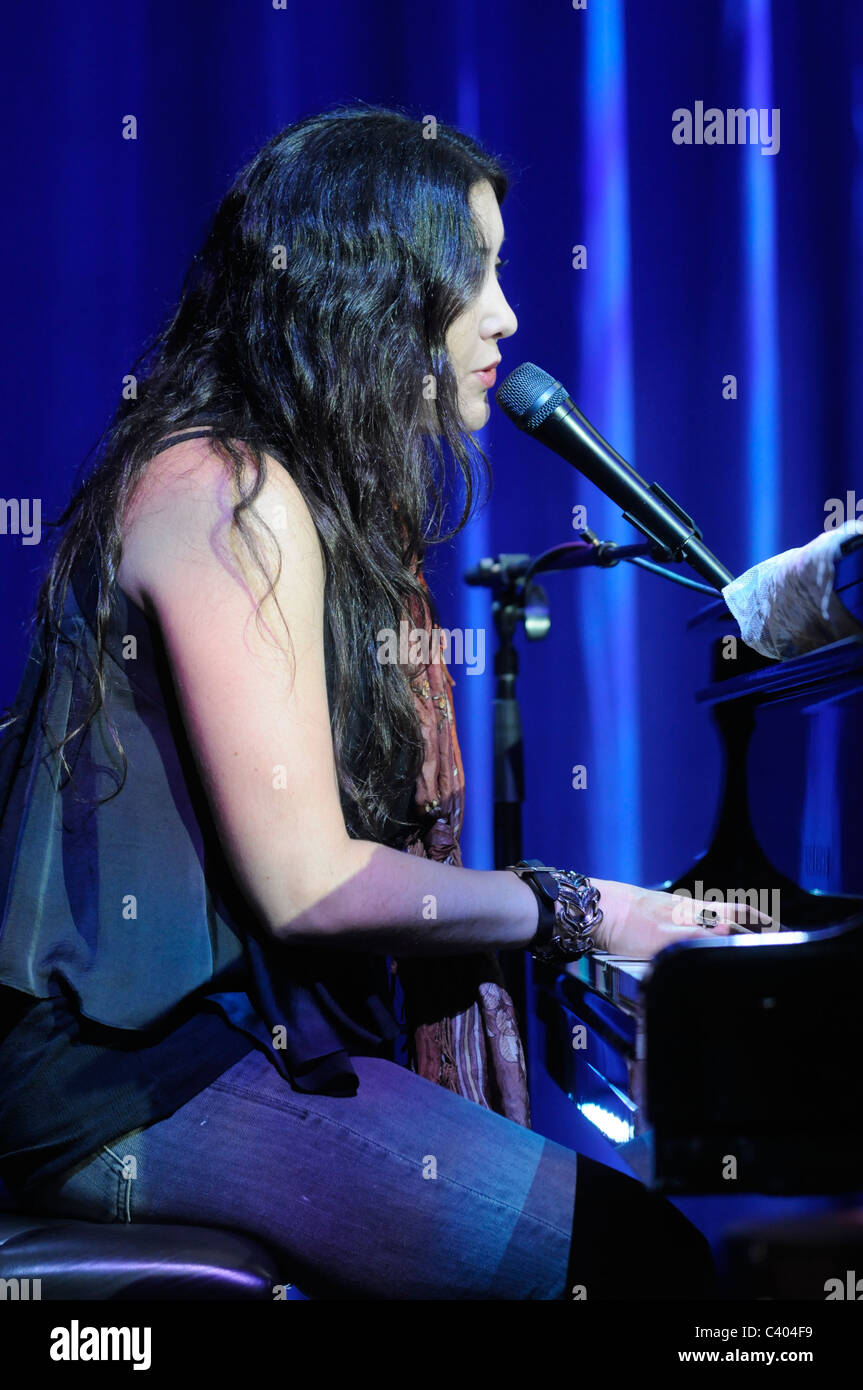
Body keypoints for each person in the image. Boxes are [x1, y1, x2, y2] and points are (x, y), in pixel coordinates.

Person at [0, 105, 756, 1300]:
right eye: (477, 272)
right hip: (133, 1080)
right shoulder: (227, 490)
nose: (505, 312)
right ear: (368, 286)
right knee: (642, 1267)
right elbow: (308, 887)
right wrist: (587, 910)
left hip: (233, 1051)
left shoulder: (298, 494)